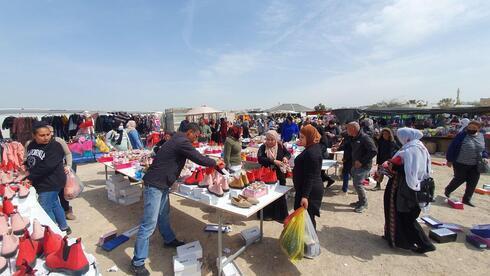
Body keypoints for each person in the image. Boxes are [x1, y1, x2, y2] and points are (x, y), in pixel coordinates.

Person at [131, 123, 222, 276]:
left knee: (163, 215)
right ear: (190, 132)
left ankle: (169, 239)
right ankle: (137, 262)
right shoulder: (181, 141)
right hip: (155, 185)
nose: (196, 138)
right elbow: (198, 157)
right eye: (196, 135)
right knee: (149, 224)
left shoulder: (176, 140)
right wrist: (215, 162)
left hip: (162, 184)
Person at [383, 128, 435, 254]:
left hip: (406, 187)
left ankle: (425, 244)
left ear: (406, 137)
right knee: (400, 214)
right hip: (410, 186)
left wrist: (392, 166)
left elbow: (410, 171)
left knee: (406, 216)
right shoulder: (418, 147)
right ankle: (395, 237)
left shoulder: (412, 150)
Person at [25, 121, 71, 234]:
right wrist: (24, 166)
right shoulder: (31, 145)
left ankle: (53, 233)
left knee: (45, 208)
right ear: (34, 136)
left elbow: (47, 165)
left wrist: (29, 176)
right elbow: (31, 160)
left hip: (51, 182)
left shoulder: (55, 146)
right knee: (55, 204)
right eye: (42, 135)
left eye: (48, 134)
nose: (46, 137)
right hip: (40, 181)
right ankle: (64, 227)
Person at [445, 121, 488, 207]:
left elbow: (482, 149)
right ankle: (448, 190)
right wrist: (449, 159)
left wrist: (484, 156)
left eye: (474, 128)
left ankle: (466, 199)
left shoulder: (480, 136)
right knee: (459, 179)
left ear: (478, 129)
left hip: (476, 164)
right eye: (470, 127)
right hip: (461, 162)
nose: (471, 129)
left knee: (473, 181)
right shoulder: (462, 135)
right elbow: (452, 147)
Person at [337, 122, 377, 213]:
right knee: (356, 184)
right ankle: (360, 201)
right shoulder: (353, 137)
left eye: (348, 129)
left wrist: (361, 161)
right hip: (354, 164)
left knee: (358, 184)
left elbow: (373, 151)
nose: (346, 131)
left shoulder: (365, 138)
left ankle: (364, 203)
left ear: (353, 129)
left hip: (363, 166)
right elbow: (347, 146)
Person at [293, 125, 323, 229]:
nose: (299, 139)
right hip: (307, 189)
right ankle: (305, 242)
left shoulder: (312, 153)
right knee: (305, 219)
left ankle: (309, 243)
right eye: (299, 137)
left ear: (309, 137)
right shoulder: (312, 147)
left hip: (309, 192)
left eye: (302, 137)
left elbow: (310, 176)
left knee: (307, 219)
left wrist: (305, 196)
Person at [257, 130, 290, 222]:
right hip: (267, 175)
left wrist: (285, 158)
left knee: (279, 194)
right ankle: (266, 214)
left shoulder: (280, 146)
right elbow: (260, 159)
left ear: (276, 139)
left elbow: (288, 154)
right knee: (267, 194)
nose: (270, 141)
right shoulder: (263, 147)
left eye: (272, 139)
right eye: (268, 139)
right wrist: (273, 161)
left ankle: (280, 216)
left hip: (279, 174)